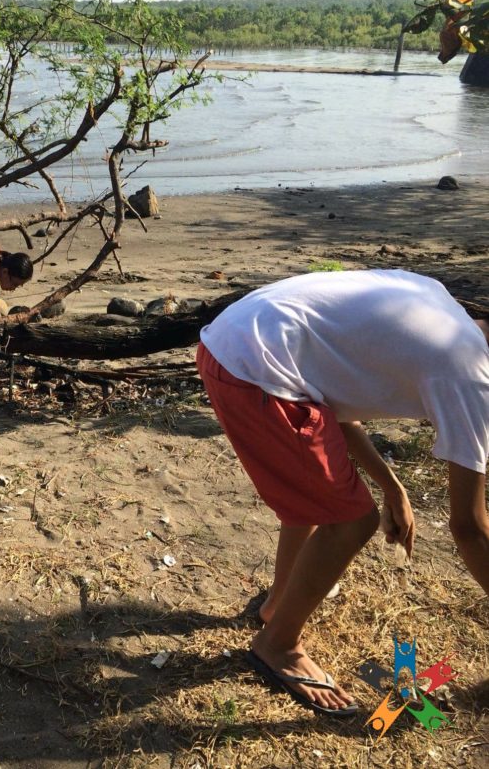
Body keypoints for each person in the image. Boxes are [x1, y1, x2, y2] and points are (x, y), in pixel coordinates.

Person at [196, 268, 489, 717]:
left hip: (236, 341)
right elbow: (469, 527)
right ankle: (277, 645)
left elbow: (329, 395)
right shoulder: (468, 375)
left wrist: (391, 485)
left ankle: (277, 606)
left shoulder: (440, 304)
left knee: (317, 494)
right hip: (253, 369)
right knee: (351, 519)